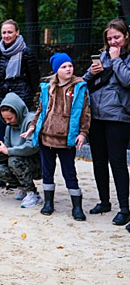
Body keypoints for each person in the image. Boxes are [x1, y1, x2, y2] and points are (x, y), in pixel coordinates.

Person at [21, 53, 90, 220]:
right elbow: (40, 111)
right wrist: (32, 128)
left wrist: (82, 133)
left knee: (69, 172)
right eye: (63, 66)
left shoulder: (79, 88)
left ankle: (77, 206)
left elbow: (86, 113)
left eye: (70, 65)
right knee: (47, 171)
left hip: (66, 140)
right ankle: (48, 202)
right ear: (56, 70)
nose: (68, 69)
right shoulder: (47, 88)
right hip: (47, 138)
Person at [83, 18, 130, 228]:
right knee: (99, 160)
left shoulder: (124, 57)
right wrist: (90, 73)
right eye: (110, 38)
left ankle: (124, 209)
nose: (113, 42)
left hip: (119, 116)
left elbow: (127, 80)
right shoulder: (102, 56)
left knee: (117, 162)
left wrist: (117, 59)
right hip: (97, 115)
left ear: (126, 36)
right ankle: (104, 201)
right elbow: (86, 82)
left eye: (117, 37)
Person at [0, 19, 40, 189]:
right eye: (4, 32)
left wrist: (26, 97)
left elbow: (34, 79)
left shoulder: (26, 52)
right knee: (4, 137)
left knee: (20, 138)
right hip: (1, 98)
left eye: (10, 32)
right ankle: (6, 175)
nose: (7, 35)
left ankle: (21, 173)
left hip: (20, 99)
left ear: (17, 32)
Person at [0, 92, 42, 208]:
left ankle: (32, 193)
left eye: (10, 118)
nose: (7, 122)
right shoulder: (9, 126)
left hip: (37, 163)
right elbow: (7, 147)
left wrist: (9, 151)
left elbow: (32, 146)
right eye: (5, 119)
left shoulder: (30, 121)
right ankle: (23, 188)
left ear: (18, 112)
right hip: (19, 162)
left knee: (14, 160)